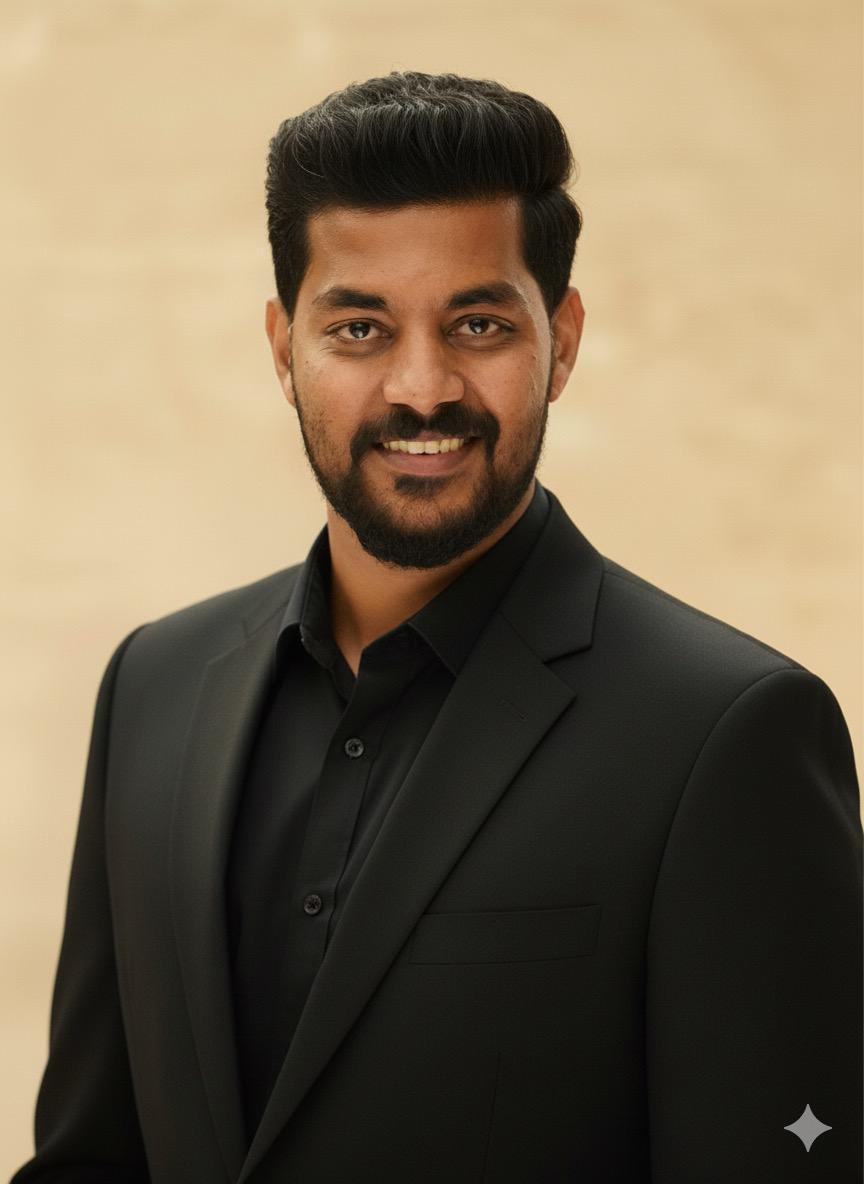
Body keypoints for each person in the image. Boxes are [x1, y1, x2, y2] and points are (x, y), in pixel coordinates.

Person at [11, 70, 861, 1184]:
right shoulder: (153, 688)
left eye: (478, 322)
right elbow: (91, 1158)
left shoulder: (731, 733)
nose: (422, 386)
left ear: (560, 341)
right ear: (283, 348)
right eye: (359, 326)